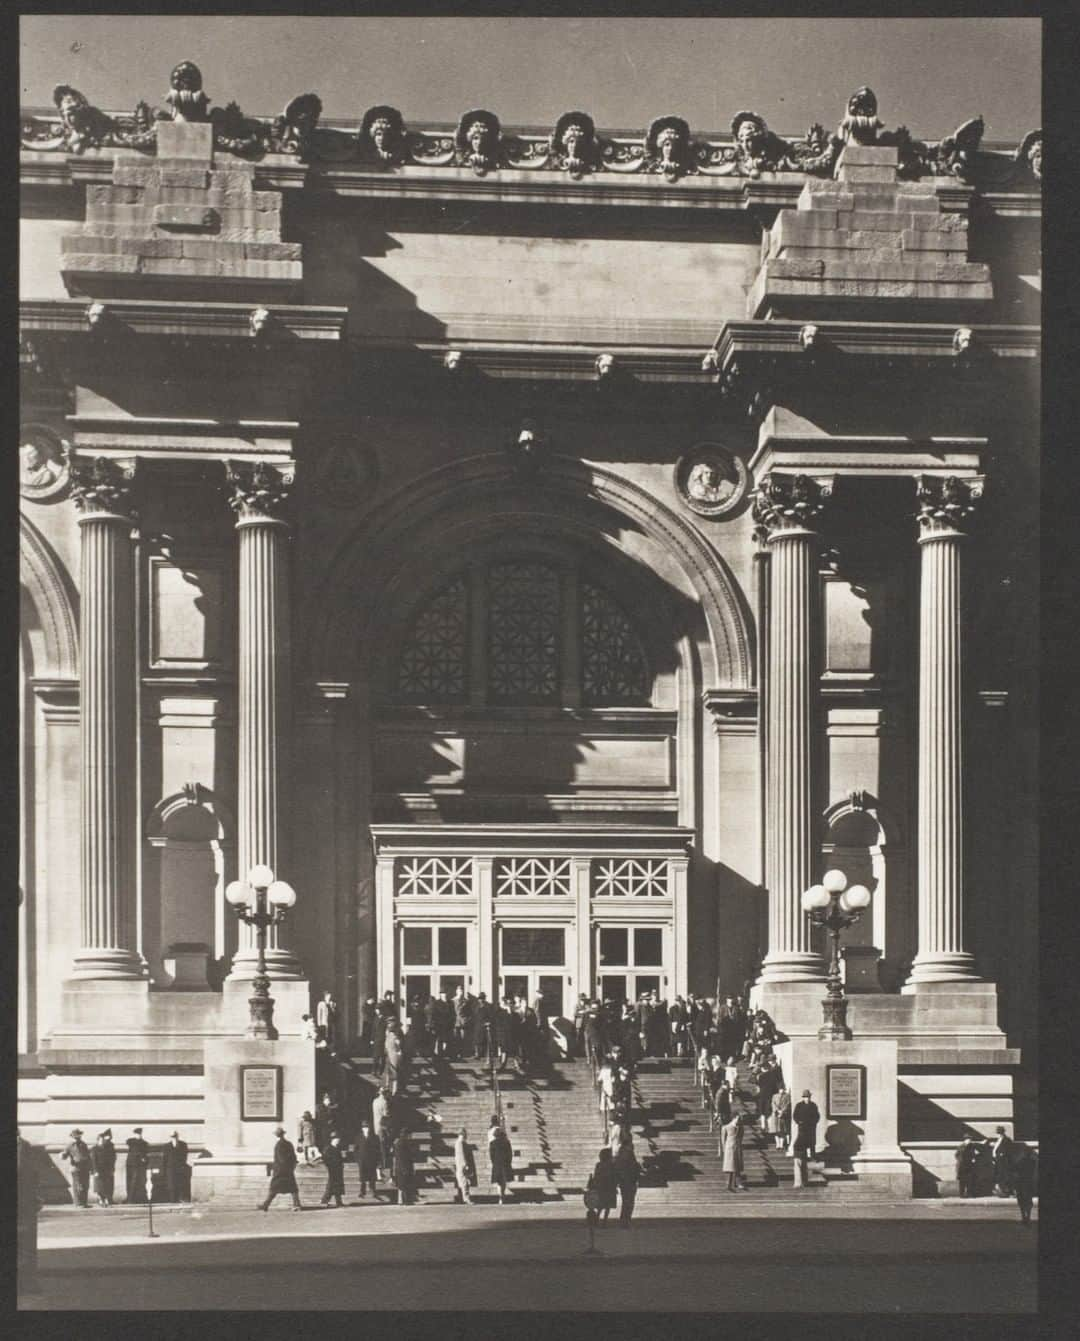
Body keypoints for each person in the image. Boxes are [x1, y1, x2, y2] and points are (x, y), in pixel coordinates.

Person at [17, 1128, 41, 1294]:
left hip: (25, 1203)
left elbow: (34, 1175)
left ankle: (28, 1283)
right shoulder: (26, 1148)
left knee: (27, 1246)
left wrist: (36, 1197)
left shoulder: (27, 1148)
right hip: (24, 1202)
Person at [259, 1126, 302, 1211]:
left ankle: (265, 1205)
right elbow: (293, 1156)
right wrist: (292, 1166)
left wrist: (280, 1167)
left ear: (277, 1135)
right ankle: (297, 1205)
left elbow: (281, 1158)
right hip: (288, 1170)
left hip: (280, 1170)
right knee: (293, 1188)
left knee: (274, 1188)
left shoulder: (279, 1145)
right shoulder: (288, 1143)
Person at [613, 1135, 642, 1226]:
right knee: (629, 1202)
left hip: (625, 1181)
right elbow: (634, 1167)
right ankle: (626, 1220)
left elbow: (617, 1168)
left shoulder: (621, 1155)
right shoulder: (628, 1154)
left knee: (626, 1201)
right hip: (629, 1181)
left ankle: (624, 1219)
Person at [586, 1147, 618, 1226]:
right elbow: (614, 1176)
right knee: (607, 1206)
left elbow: (596, 1176)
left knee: (601, 1204)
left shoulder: (599, 1165)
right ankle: (604, 1221)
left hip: (601, 1187)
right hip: (609, 1187)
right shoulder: (611, 1165)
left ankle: (597, 1218)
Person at [61, 1128, 92, 1207]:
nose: (77, 1137)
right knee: (78, 1185)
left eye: (79, 1135)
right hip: (75, 1168)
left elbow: (88, 1156)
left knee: (85, 1185)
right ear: (72, 1137)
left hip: (85, 1167)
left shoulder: (83, 1144)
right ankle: (78, 1203)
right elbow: (64, 1155)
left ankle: (84, 1202)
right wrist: (63, 1155)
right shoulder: (70, 1145)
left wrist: (90, 1167)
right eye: (75, 1136)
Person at [488, 1116, 514, 1204]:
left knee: (499, 1182)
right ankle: (502, 1195)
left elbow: (491, 1155)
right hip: (505, 1163)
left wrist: (493, 1162)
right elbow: (510, 1154)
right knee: (503, 1181)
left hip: (497, 1164)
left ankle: (500, 1197)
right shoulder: (507, 1142)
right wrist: (509, 1162)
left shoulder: (493, 1143)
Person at [356, 1119, 383, 1200]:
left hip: (371, 1160)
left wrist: (378, 1160)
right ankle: (362, 1192)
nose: (366, 1129)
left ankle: (373, 1191)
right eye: (364, 1127)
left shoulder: (375, 1137)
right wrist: (358, 1159)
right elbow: (356, 1149)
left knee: (372, 1177)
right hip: (362, 1160)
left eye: (367, 1127)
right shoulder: (358, 1137)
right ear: (362, 1128)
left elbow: (378, 1149)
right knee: (362, 1177)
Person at [162, 1130, 190, 1203]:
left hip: (180, 1168)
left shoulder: (183, 1145)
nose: (174, 1138)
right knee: (171, 1185)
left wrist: (182, 1165)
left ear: (178, 1136)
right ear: (170, 1137)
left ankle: (180, 1199)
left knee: (180, 1184)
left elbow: (185, 1156)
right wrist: (163, 1170)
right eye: (172, 1137)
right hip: (170, 1168)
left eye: (175, 1136)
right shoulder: (166, 1146)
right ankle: (172, 1200)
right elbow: (164, 1159)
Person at [1012, 1143, 1036, 1224]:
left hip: (1020, 1183)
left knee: (1021, 1200)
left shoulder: (1019, 1162)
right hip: (1029, 1182)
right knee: (1028, 1200)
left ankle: (1023, 1216)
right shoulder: (1033, 1162)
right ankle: (1028, 1216)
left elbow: (1015, 1173)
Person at [320, 1132, 346, 1208]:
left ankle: (339, 1202)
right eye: (337, 1139)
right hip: (332, 1169)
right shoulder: (328, 1148)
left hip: (338, 1169)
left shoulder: (337, 1148)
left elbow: (340, 1159)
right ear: (333, 1140)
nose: (338, 1140)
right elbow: (325, 1159)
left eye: (338, 1139)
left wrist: (342, 1163)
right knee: (331, 1185)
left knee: (337, 1185)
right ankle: (324, 1200)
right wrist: (330, 1165)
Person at [720, 1112, 745, 1192]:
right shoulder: (726, 1127)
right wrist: (724, 1149)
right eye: (738, 1118)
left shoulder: (740, 1127)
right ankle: (728, 1184)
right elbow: (723, 1140)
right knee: (730, 1166)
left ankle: (738, 1182)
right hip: (729, 1148)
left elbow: (741, 1136)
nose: (739, 1120)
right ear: (733, 1118)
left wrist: (739, 1145)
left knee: (737, 1165)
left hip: (737, 1147)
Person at [91, 1130, 116, 1207]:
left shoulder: (106, 1148)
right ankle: (101, 1200)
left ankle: (105, 1200)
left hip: (106, 1169)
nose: (102, 1141)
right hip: (98, 1170)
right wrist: (95, 1171)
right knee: (99, 1186)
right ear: (98, 1140)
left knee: (106, 1185)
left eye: (103, 1140)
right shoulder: (94, 1149)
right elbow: (93, 1161)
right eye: (101, 1140)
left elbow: (111, 1159)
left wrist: (111, 1169)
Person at [793, 1090, 820, 1160]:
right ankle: (804, 1156)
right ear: (803, 1098)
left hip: (811, 1127)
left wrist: (814, 1123)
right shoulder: (799, 1105)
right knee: (802, 1142)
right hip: (802, 1127)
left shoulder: (813, 1105)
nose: (807, 1099)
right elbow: (795, 1115)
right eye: (805, 1097)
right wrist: (799, 1122)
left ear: (810, 1097)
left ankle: (813, 1156)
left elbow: (817, 1116)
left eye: (808, 1097)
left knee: (812, 1142)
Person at [125, 1127, 150, 1204]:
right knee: (131, 1182)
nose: (139, 1135)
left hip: (140, 1166)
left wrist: (144, 1159)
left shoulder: (144, 1143)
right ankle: (130, 1199)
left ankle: (139, 1198)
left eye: (140, 1134)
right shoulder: (132, 1142)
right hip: (131, 1165)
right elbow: (130, 1144)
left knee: (140, 1182)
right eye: (137, 1134)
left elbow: (146, 1154)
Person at [453, 1127, 477, 1204]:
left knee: (464, 1182)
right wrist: (465, 1165)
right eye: (465, 1133)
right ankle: (466, 1198)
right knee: (464, 1182)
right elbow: (461, 1155)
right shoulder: (460, 1143)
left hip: (461, 1164)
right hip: (462, 1165)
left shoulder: (461, 1142)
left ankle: (464, 1198)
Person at [392, 1130, 416, 1206]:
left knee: (401, 1185)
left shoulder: (398, 1143)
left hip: (400, 1166)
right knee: (405, 1185)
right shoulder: (404, 1144)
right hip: (404, 1167)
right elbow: (404, 1157)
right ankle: (405, 1201)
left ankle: (401, 1200)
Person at [991, 1126, 1015, 1196]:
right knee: (999, 1176)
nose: (997, 1134)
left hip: (1003, 1161)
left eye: (998, 1133)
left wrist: (1002, 1154)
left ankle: (1006, 1191)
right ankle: (1002, 1191)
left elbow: (1008, 1150)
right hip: (997, 1160)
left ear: (1001, 1133)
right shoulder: (998, 1140)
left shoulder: (1007, 1140)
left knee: (1004, 1176)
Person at [771, 1087, 791, 1153]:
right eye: (780, 1089)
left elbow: (788, 1104)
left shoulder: (787, 1096)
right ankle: (777, 1144)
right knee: (776, 1130)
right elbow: (773, 1103)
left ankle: (781, 1145)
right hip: (776, 1115)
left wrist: (782, 1111)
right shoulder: (775, 1096)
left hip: (783, 1115)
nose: (781, 1090)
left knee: (782, 1130)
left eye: (782, 1089)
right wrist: (777, 1110)